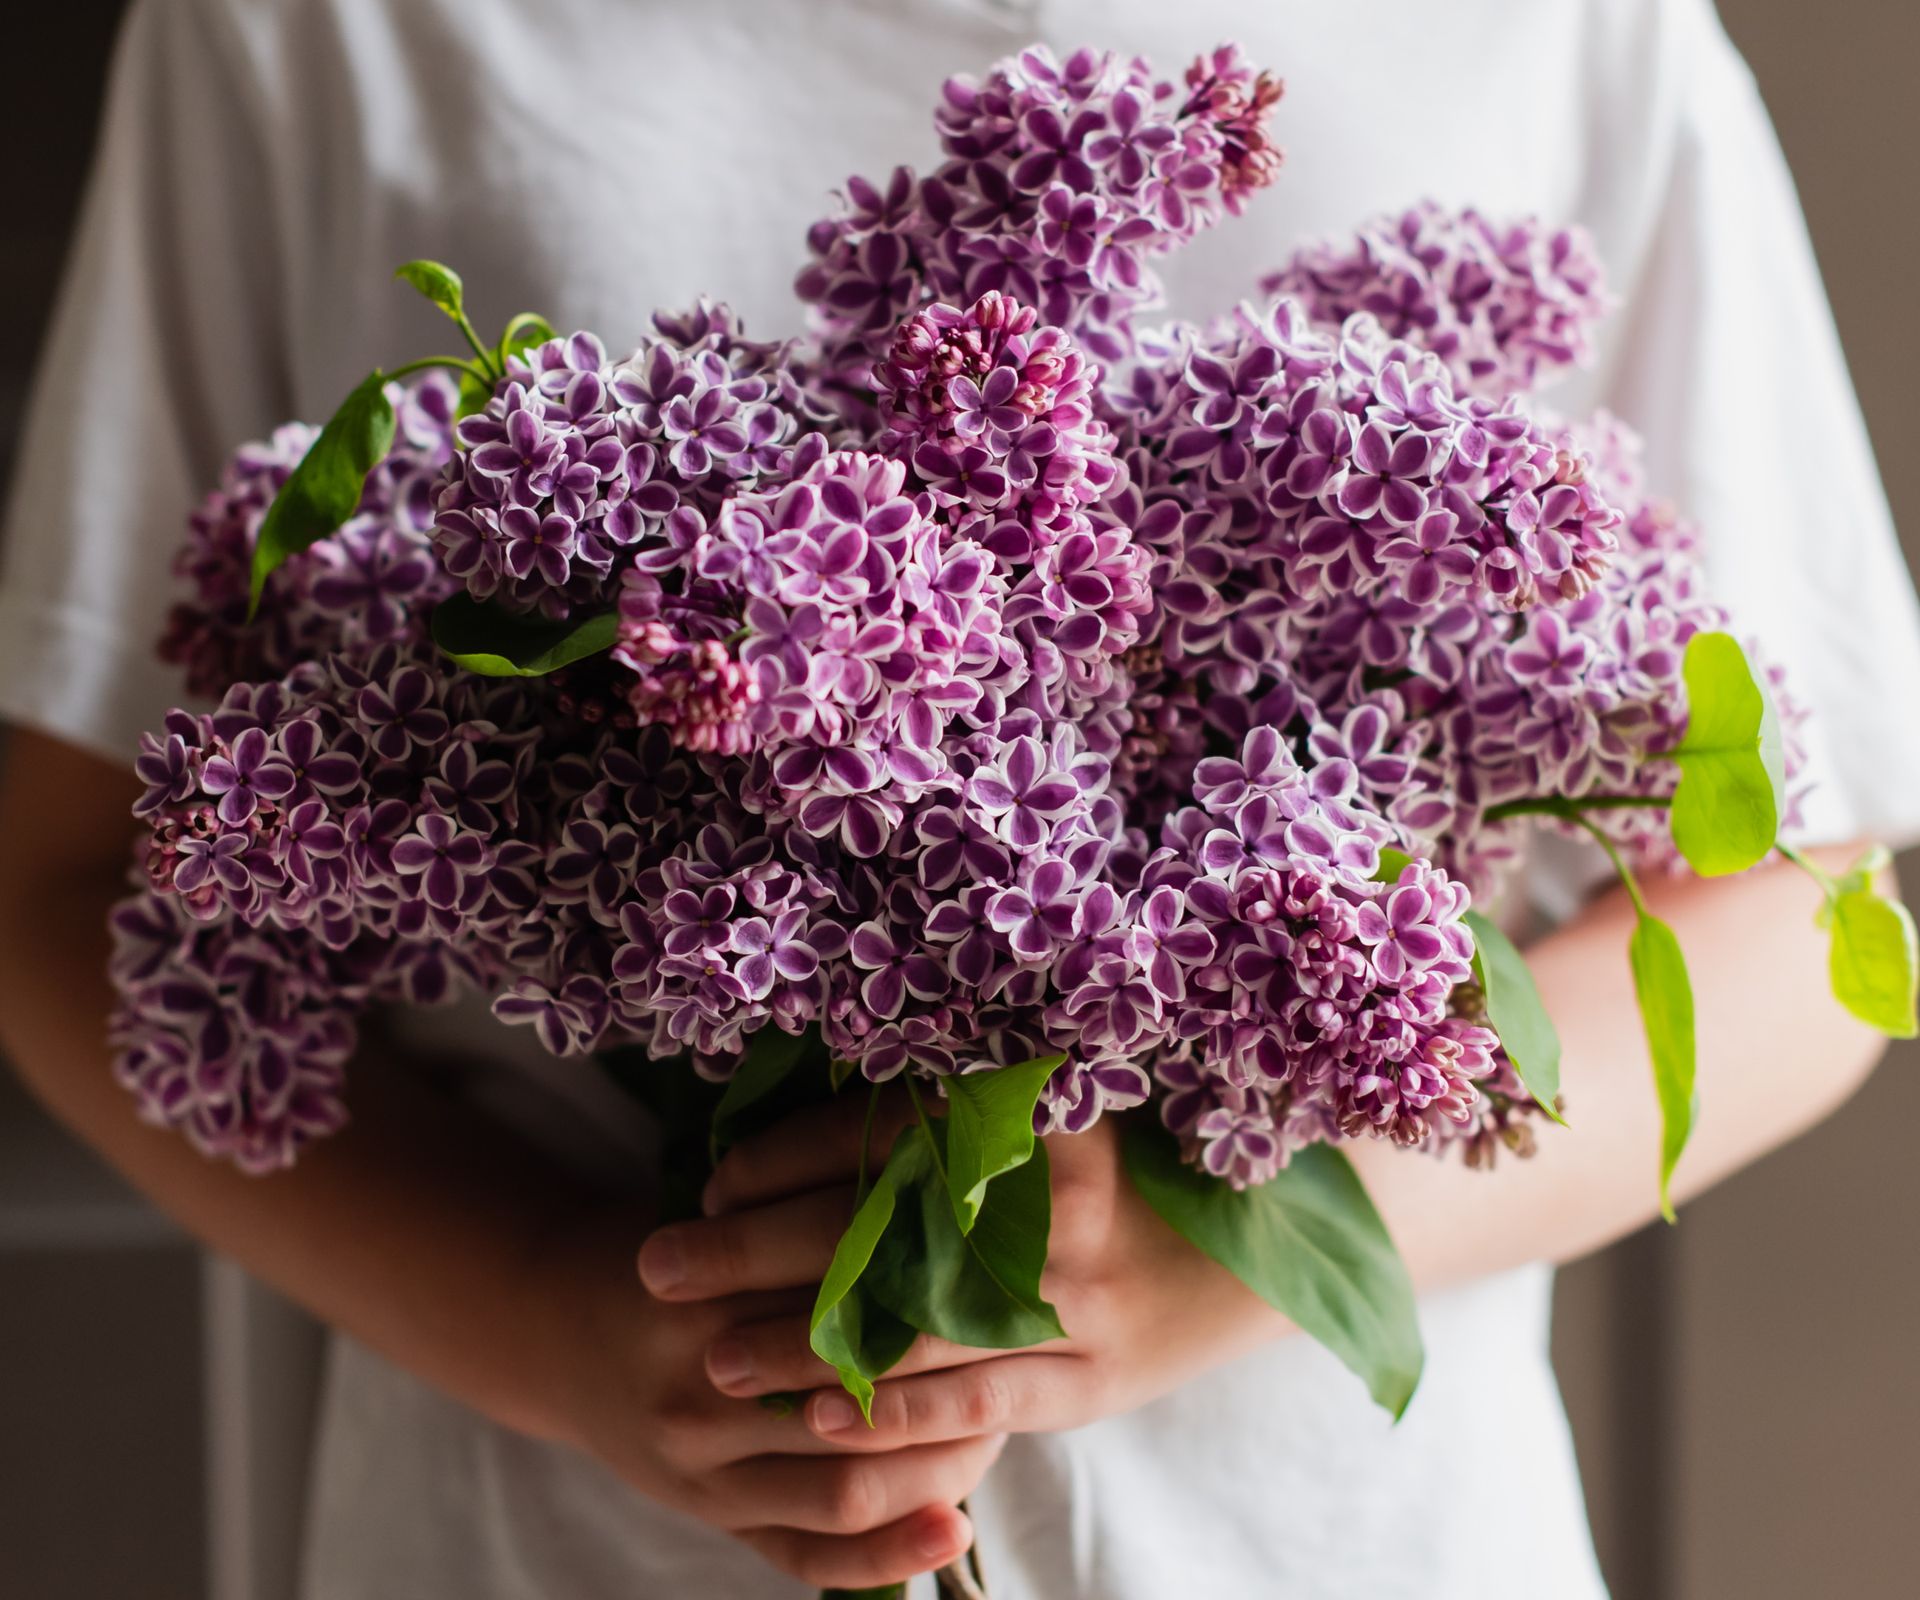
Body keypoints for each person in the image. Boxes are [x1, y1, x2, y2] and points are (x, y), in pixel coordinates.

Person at [5, 1, 1919, 1595]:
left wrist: (1229, 1243)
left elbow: (1810, 917)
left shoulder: (1563, 25)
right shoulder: (307, 23)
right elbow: (66, 875)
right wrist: (565, 1321)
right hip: (551, 1541)